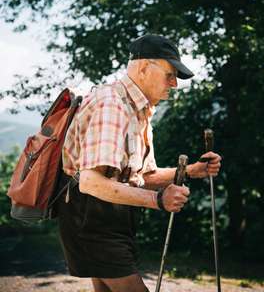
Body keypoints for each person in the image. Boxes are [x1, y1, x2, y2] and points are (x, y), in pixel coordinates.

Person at [58, 34, 222, 292]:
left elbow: (144, 177)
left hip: (113, 217)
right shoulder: (111, 105)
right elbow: (90, 183)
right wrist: (158, 200)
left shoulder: (140, 112)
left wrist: (192, 171)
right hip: (91, 217)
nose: (175, 84)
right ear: (144, 68)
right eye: (170, 74)